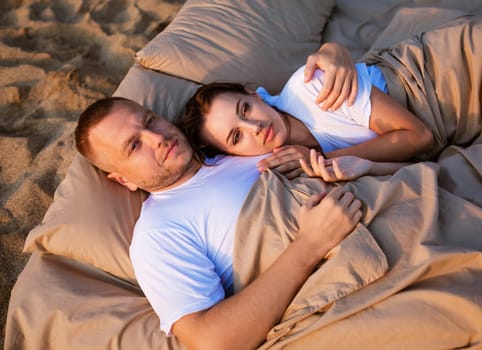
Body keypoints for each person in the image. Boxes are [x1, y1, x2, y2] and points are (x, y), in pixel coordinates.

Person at [74, 43, 366, 350]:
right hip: (344, 259)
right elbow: (212, 340)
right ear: (123, 180)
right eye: (134, 146)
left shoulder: (231, 141)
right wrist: (311, 245)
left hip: (379, 188)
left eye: (150, 122)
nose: (157, 138)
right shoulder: (158, 232)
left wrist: (333, 53)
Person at [177, 58, 434, 179]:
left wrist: (321, 159)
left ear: (254, 95)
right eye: (236, 136)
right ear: (232, 155)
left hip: (436, 77)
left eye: (245, 109)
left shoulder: (311, 86)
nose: (254, 127)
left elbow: (419, 137)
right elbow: (419, 164)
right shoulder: (291, 168)